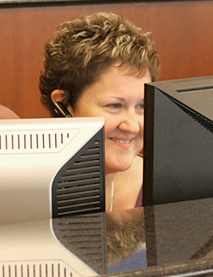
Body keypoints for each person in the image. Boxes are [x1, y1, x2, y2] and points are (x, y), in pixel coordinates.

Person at [39, 12, 160, 210]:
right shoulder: (25, 193)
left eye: (141, 106)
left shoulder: (164, 187)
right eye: (114, 106)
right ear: (63, 104)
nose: (132, 126)